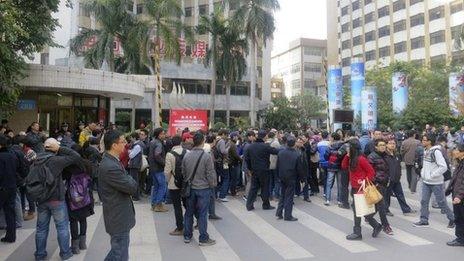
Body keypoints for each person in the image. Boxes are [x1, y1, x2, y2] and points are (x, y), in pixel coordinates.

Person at [33, 138, 81, 260]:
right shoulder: (56, 160)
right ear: (54, 148)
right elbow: (76, 157)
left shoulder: (36, 159)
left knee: (41, 229)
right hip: (56, 199)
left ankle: (40, 254)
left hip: (41, 199)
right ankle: (65, 253)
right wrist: (60, 148)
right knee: (62, 227)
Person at [99, 130, 138, 261]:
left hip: (118, 215)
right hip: (118, 217)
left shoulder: (112, 161)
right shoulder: (111, 166)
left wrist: (127, 178)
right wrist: (129, 179)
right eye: (123, 141)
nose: (125, 144)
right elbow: (132, 187)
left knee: (118, 251)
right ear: (114, 145)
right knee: (119, 254)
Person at [342, 139, 383, 241]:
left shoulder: (361, 159)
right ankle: (376, 225)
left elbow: (371, 172)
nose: (346, 148)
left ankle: (357, 233)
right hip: (355, 188)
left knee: (358, 210)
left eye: (348, 147)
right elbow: (343, 166)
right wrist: (347, 156)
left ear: (353, 148)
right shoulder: (352, 158)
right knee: (361, 210)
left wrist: (363, 181)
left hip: (362, 189)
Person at [182, 132, 217, 246]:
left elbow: (184, 172)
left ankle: (187, 235)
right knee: (202, 214)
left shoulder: (187, 155)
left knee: (189, 212)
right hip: (204, 188)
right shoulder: (206, 156)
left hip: (190, 188)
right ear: (203, 141)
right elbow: (210, 174)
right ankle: (203, 238)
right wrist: (212, 185)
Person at [414, 133, 455, 228]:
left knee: (441, 203)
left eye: (424, 140)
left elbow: (443, 167)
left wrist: (432, 175)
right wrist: (423, 174)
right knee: (424, 201)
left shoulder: (436, 152)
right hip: (426, 182)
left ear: (429, 141)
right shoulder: (425, 150)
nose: (422, 142)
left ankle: (452, 218)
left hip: (436, 183)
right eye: (422, 140)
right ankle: (424, 220)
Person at [63, 145, 95, 255]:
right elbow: (92, 178)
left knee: (73, 221)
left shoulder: (68, 166)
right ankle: (83, 243)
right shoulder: (87, 164)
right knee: (83, 219)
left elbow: (64, 178)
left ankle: (75, 246)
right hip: (85, 195)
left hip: (72, 197)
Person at [245, 130, 280, 211]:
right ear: (265, 136)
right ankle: (266, 205)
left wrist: (250, 168)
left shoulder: (251, 146)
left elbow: (247, 159)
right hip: (264, 170)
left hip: (254, 170)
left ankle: (249, 205)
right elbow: (275, 151)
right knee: (265, 188)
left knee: (253, 188)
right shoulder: (265, 146)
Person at [367, 139, 393, 235]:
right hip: (377, 184)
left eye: (384, 145)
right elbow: (369, 172)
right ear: (376, 147)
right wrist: (375, 182)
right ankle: (386, 226)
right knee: (382, 206)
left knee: (377, 207)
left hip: (385, 183)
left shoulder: (386, 155)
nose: (383, 146)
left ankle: (368, 217)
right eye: (380, 145)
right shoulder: (371, 157)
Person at [276, 136, 305, 221]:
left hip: (282, 176)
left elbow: (277, 166)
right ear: (294, 143)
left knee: (283, 195)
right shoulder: (297, 154)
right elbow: (299, 168)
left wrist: (278, 176)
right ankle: (288, 215)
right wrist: (302, 179)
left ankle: (279, 212)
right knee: (289, 196)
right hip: (291, 177)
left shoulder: (281, 153)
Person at [384, 138, 415, 216]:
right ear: (386, 145)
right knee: (387, 195)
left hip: (396, 179)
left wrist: (399, 174)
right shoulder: (384, 156)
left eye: (394, 143)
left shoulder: (396, 155)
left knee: (400, 194)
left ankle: (406, 209)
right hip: (388, 179)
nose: (392, 145)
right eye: (390, 143)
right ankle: (386, 210)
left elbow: (398, 166)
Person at [164, 135, 186, 236]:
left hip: (174, 184)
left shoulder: (169, 155)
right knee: (188, 205)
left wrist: (168, 181)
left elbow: (167, 171)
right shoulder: (188, 152)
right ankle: (191, 224)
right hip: (186, 183)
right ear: (181, 142)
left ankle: (180, 227)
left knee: (177, 207)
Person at [0, 134, 19, 243]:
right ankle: (11, 236)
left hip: (2, 187)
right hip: (12, 186)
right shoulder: (12, 155)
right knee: (10, 213)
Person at [446, 143, 464, 247]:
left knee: (460, 218)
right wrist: (448, 190)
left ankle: (460, 239)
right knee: (459, 217)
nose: (454, 152)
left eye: (456, 150)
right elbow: (455, 179)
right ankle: (460, 238)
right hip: (457, 195)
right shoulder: (459, 162)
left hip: (460, 197)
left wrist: (459, 196)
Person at [148, 128, 168, 212]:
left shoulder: (152, 142)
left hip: (152, 168)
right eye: (163, 133)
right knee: (163, 186)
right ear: (159, 135)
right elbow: (157, 155)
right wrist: (164, 163)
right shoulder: (159, 144)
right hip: (158, 168)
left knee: (156, 186)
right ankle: (158, 205)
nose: (164, 135)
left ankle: (153, 204)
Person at [324, 132, 344, 206]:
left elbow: (326, 156)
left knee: (329, 183)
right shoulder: (343, 146)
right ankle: (339, 200)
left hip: (331, 166)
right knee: (339, 184)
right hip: (340, 166)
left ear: (332, 138)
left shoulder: (329, 146)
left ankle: (328, 200)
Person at [128, 132, 144, 201]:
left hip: (135, 165)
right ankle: (135, 195)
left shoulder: (137, 146)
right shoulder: (136, 145)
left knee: (135, 181)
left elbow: (131, 155)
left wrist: (129, 152)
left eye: (131, 137)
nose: (130, 139)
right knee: (135, 180)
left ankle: (136, 196)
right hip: (135, 165)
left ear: (134, 138)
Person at [215, 129, 231, 202]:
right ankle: (222, 195)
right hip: (223, 162)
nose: (227, 136)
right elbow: (223, 151)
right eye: (226, 135)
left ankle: (217, 194)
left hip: (219, 162)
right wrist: (228, 148)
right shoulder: (221, 141)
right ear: (223, 134)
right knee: (226, 178)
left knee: (221, 178)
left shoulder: (217, 140)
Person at [267, 131, 281, 201]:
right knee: (277, 181)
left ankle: (270, 196)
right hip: (275, 164)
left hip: (268, 164)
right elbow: (279, 152)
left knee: (270, 181)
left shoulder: (265, 142)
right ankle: (276, 196)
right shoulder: (276, 143)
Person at [228, 132, 242, 197]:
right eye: (236, 136)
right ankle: (233, 192)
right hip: (234, 163)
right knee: (234, 178)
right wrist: (241, 160)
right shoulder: (233, 145)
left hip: (231, 163)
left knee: (232, 178)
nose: (237, 138)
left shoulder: (231, 143)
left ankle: (231, 190)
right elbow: (236, 155)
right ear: (233, 137)